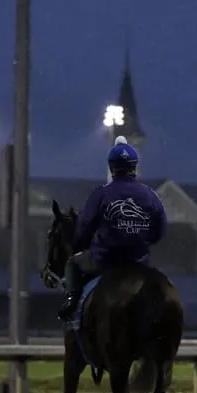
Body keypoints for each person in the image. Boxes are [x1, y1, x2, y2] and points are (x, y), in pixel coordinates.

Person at [57, 136, 167, 321]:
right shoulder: (150, 196)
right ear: (134, 166)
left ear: (111, 167)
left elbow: (83, 228)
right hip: (139, 263)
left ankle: (71, 304)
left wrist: (84, 244)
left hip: (105, 261)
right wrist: (142, 239)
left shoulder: (101, 194)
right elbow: (160, 230)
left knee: (73, 263)